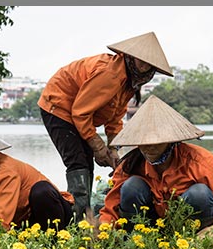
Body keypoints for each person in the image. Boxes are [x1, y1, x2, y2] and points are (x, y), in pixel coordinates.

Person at [38, 31, 173, 220]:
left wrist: (114, 150)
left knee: (87, 164)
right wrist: (99, 148)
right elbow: (81, 112)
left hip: (79, 114)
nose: (145, 67)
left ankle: (85, 215)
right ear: (131, 58)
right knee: (78, 162)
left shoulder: (129, 83)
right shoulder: (110, 74)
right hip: (59, 107)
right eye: (141, 61)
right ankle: (78, 221)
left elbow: (115, 118)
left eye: (149, 65)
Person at [99, 95, 213, 243]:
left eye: (156, 142)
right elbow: (111, 209)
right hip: (149, 227)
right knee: (131, 186)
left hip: (190, 229)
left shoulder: (202, 162)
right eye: (143, 142)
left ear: (170, 141)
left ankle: (195, 245)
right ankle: (134, 243)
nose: (149, 148)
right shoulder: (131, 164)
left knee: (200, 193)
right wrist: (104, 229)